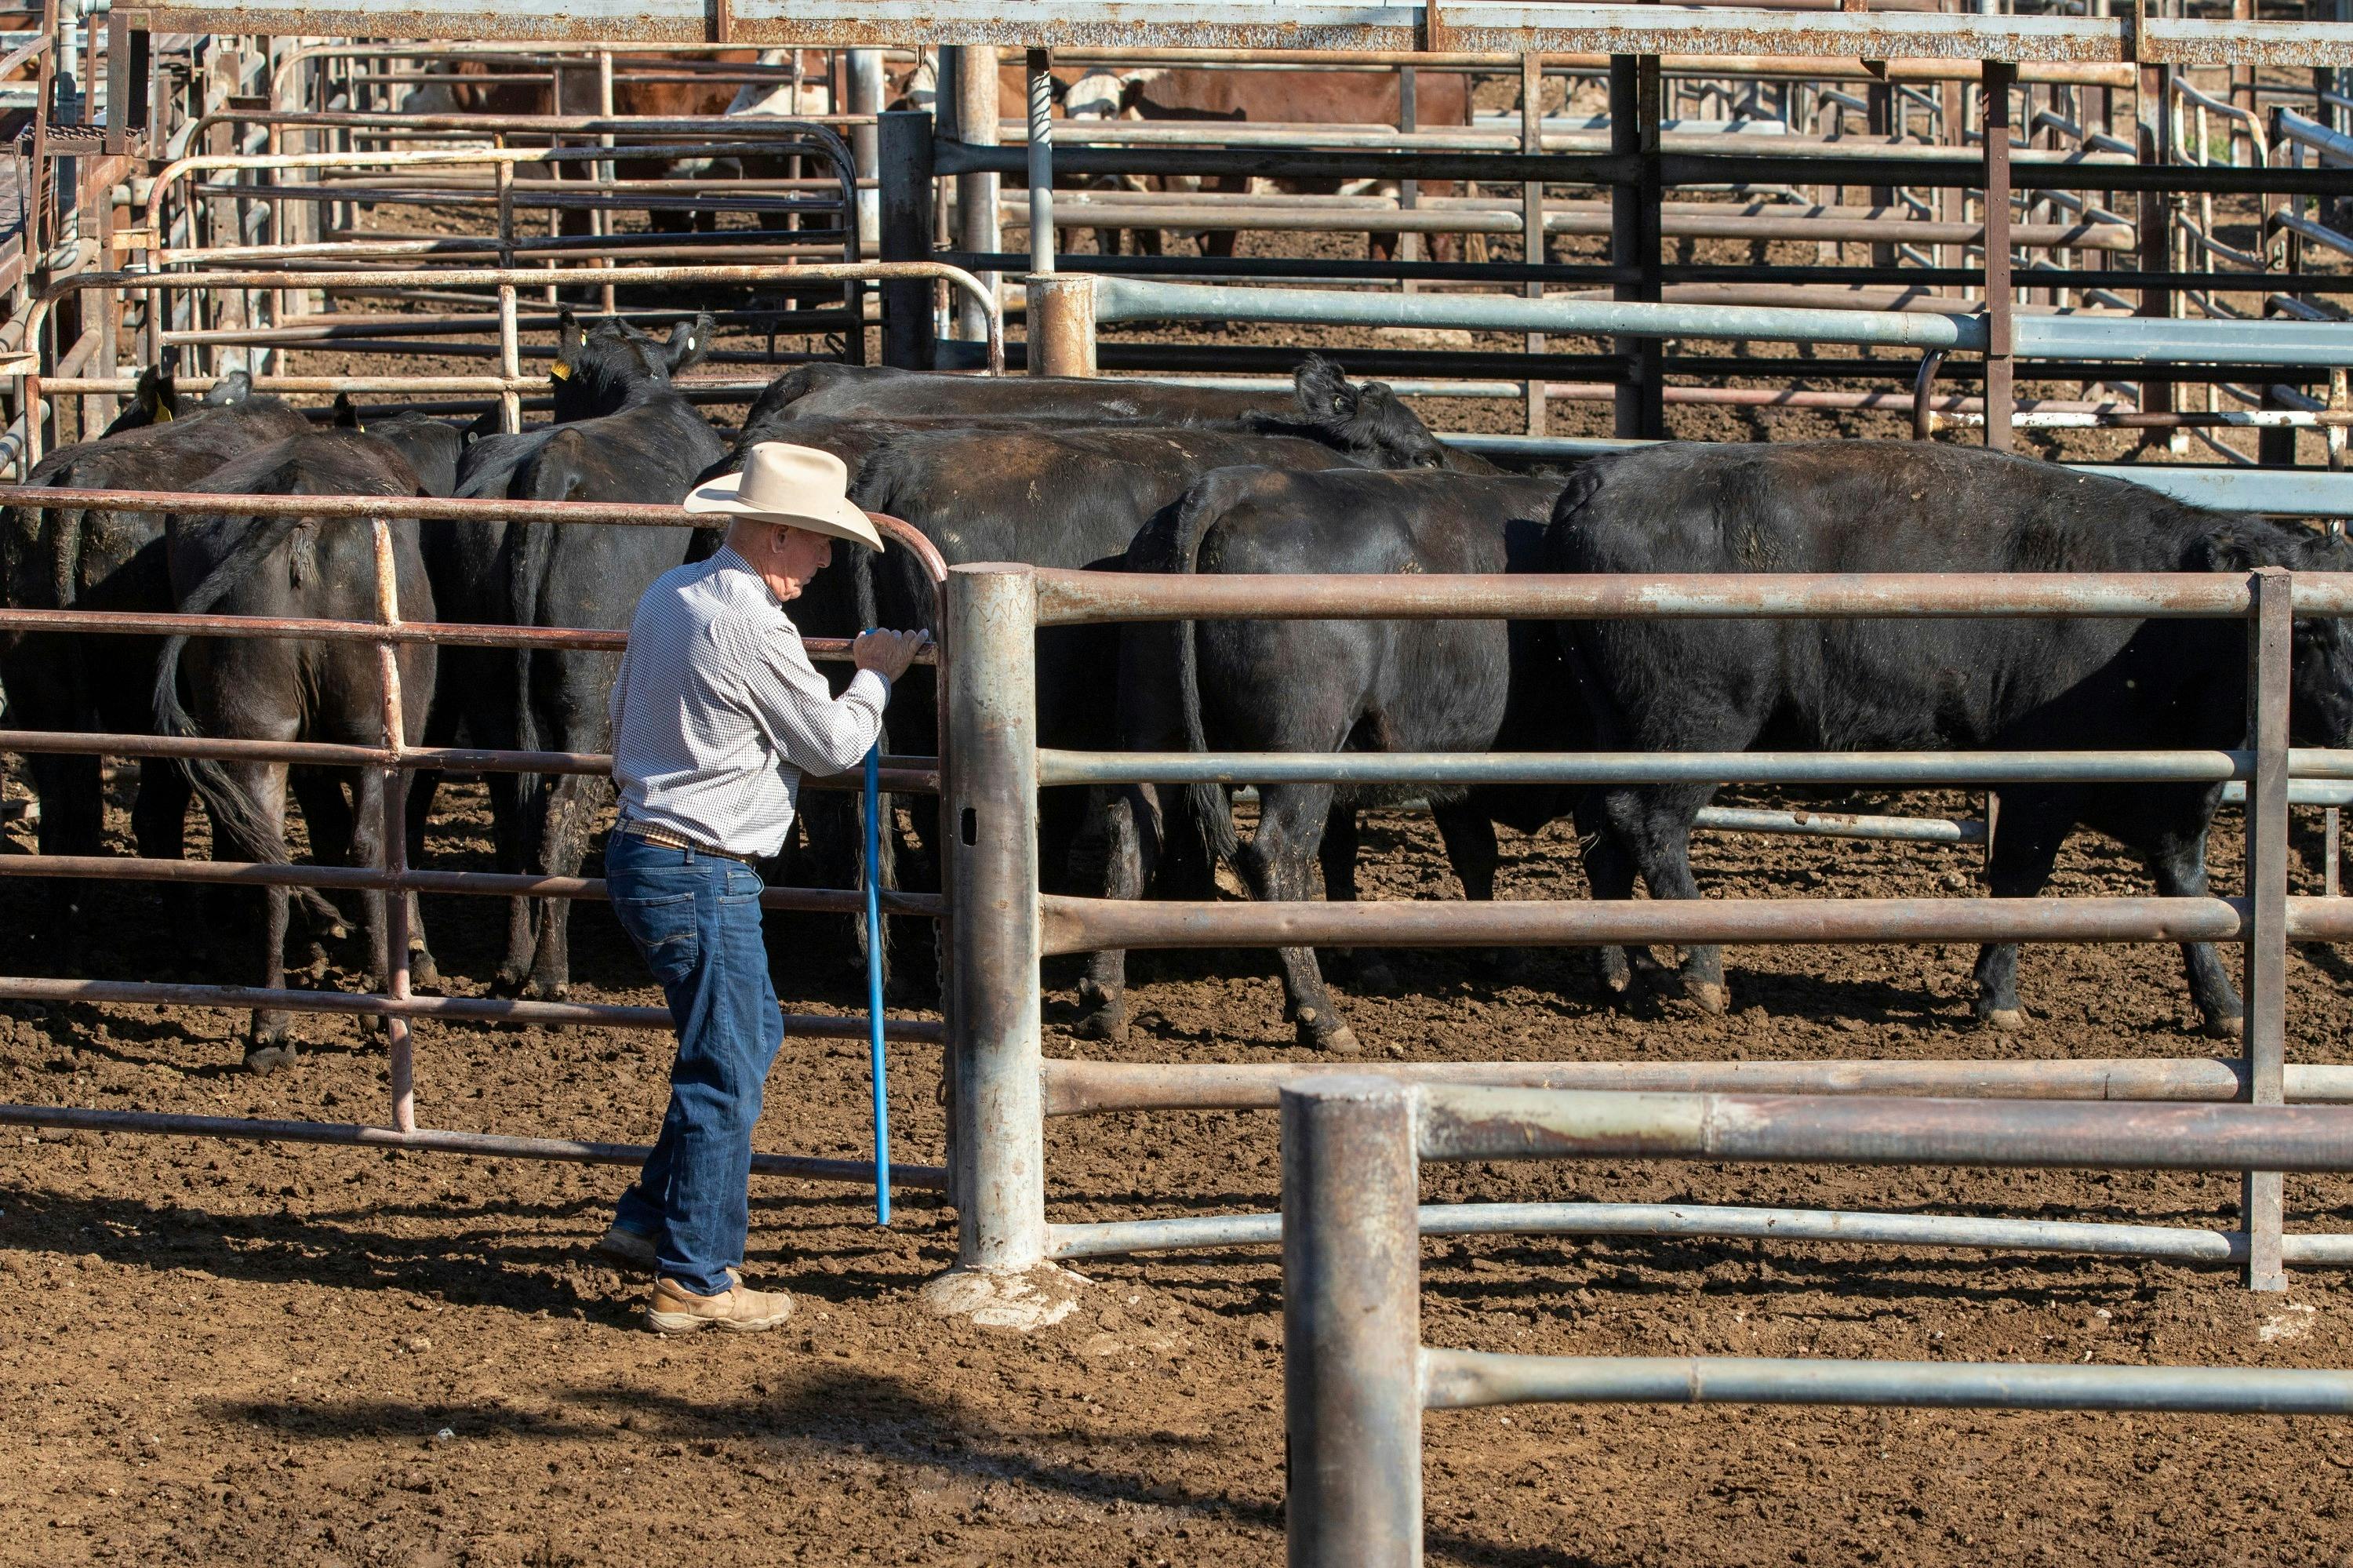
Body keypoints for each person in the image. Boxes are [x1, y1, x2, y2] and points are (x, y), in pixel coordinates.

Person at [595, 441, 928, 1334]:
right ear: (779, 535)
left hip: (645, 845)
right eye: (819, 542)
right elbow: (831, 747)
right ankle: (697, 1277)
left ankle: (650, 1218)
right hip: (703, 865)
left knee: (742, 1039)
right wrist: (874, 677)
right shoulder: (749, 622)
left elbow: (618, 712)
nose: (826, 562)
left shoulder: (670, 594)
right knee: (728, 1064)